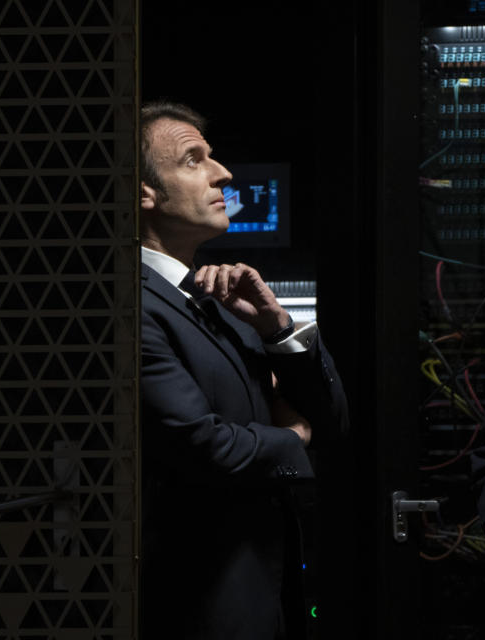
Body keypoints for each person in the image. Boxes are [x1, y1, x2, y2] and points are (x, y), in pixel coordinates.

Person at [137, 100, 349, 640]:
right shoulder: (131, 307)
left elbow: (331, 422)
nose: (223, 173)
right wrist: (291, 438)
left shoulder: (212, 301)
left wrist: (278, 328)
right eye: (193, 160)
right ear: (143, 193)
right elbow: (203, 445)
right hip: (198, 607)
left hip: (263, 597)